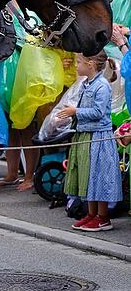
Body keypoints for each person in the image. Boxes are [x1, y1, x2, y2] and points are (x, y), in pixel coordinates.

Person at [59, 51, 123, 232]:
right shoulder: (86, 84)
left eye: (78, 62)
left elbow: (98, 112)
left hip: (99, 138)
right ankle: (91, 213)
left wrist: (75, 111)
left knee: (99, 178)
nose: (76, 66)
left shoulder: (102, 86)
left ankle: (103, 218)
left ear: (91, 64)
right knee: (88, 178)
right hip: (85, 135)